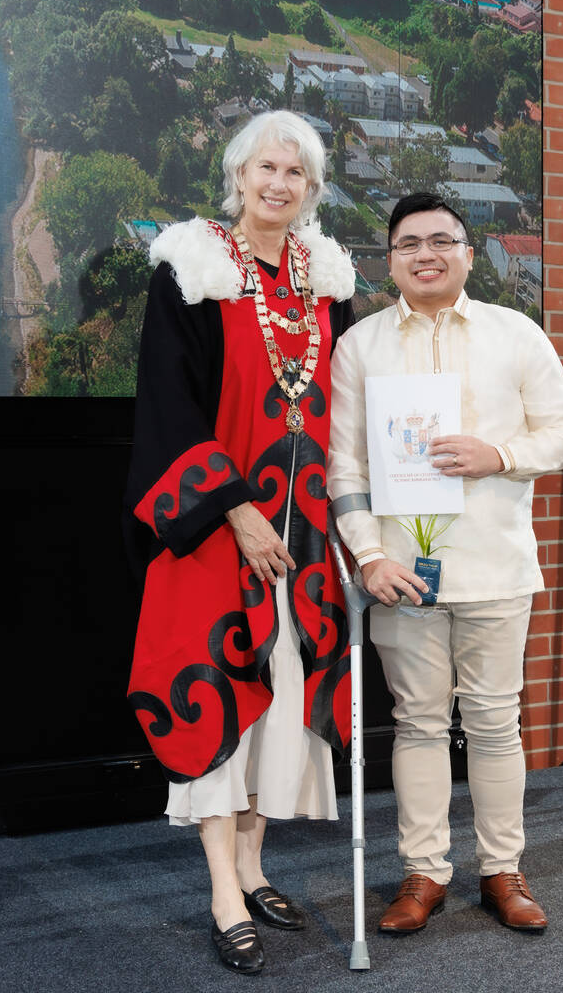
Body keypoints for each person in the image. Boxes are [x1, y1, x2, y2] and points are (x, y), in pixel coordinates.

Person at [124, 110, 355, 975]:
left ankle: (256, 866)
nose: (278, 184)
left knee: (284, 702)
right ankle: (224, 890)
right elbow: (168, 405)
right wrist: (234, 510)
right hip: (220, 533)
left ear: (312, 188)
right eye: (266, 167)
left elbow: (341, 401)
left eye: (295, 173)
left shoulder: (323, 278)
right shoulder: (194, 269)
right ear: (238, 173)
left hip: (304, 536)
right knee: (221, 698)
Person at [327, 193, 563, 935]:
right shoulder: (362, 345)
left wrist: (496, 455)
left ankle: (502, 870)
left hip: (494, 565)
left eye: (441, 240)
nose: (425, 254)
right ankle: (424, 872)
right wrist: (369, 556)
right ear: (390, 260)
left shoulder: (514, 333)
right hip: (399, 574)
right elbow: (344, 466)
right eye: (408, 244)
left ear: (468, 253)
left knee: (496, 724)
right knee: (417, 725)